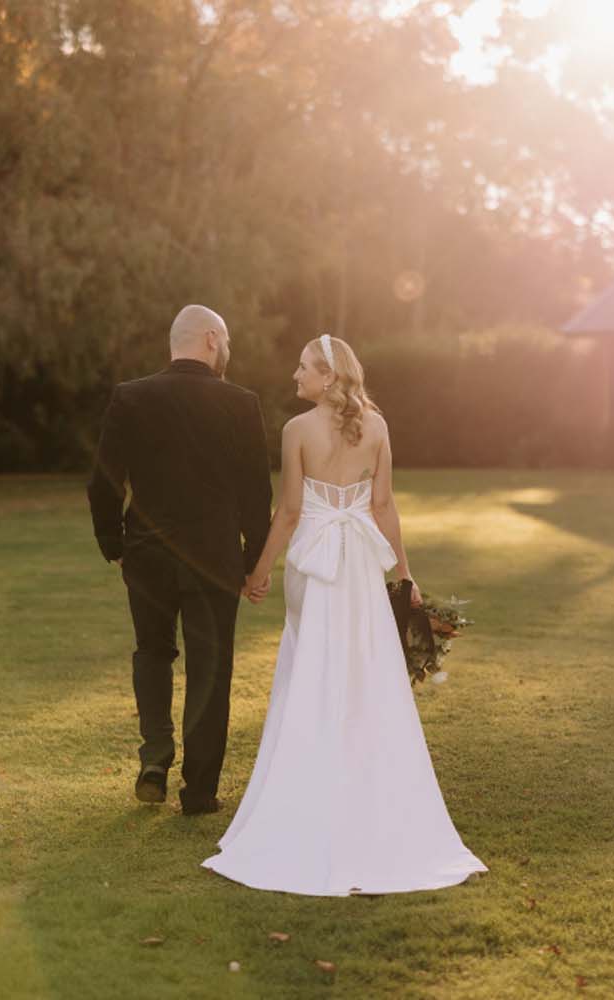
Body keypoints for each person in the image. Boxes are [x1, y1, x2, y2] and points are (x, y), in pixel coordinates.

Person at [201, 334, 486, 894]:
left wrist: (257, 573)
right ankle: (358, 788)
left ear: (328, 377)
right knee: (361, 672)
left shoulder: (296, 431)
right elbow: (382, 506)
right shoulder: (376, 426)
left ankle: (307, 793)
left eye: (303, 368)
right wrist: (403, 573)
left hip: (313, 562)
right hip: (358, 562)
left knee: (311, 664)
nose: (295, 376)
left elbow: (286, 512)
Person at [86, 305, 273, 815]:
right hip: (214, 559)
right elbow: (257, 495)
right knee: (210, 669)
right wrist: (254, 559)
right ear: (212, 340)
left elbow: (103, 481)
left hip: (146, 555)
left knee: (151, 652)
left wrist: (116, 545)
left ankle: (155, 756)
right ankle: (199, 792)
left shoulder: (131, 396)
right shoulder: (240, 403)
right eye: (227, 341)